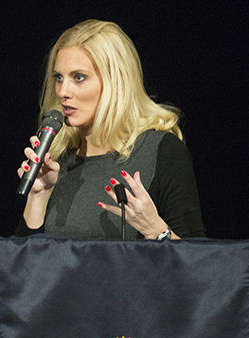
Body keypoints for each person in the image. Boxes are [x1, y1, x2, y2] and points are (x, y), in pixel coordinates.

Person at [15, 19, 204, 240]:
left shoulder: (162, 151)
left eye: (78, 77)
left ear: (116, 81)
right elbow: (24, 266)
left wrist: (157, 230)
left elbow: (196, 263)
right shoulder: (57, 162)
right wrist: (39, 195)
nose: (63, 91)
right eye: (59, 77)